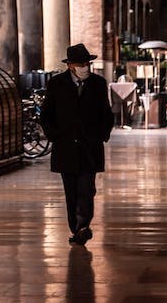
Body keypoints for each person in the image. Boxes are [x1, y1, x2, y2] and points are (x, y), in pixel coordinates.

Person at [40, 43, 115, 246]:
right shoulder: (56, 84)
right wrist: (54, 135)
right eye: (81, 63)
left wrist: (101, 135)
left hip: (90, 146)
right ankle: (75, 228)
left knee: (86, 189)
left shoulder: (98, 83)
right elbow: (46, 114)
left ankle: (83, 226)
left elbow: (106, 114)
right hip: (65, 147)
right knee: (70, 192)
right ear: (70, 65)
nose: (85, 66)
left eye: (87, 63)